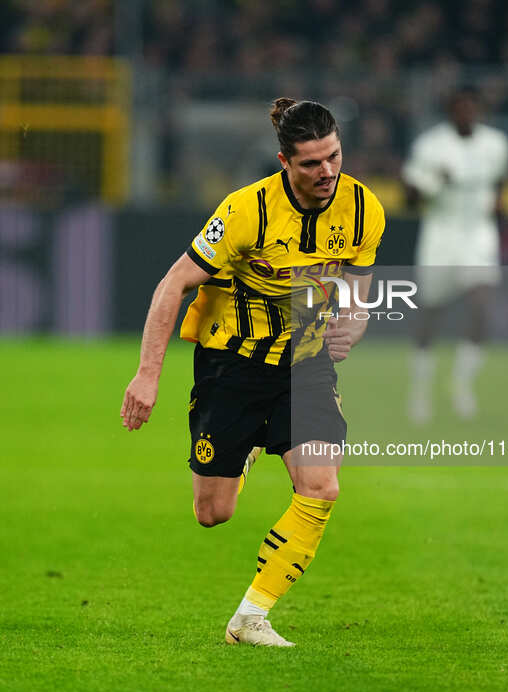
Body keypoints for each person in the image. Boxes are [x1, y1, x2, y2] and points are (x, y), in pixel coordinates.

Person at [120, 98, 385, 646]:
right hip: (231, 365)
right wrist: (148, 375)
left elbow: (357, 285)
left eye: (333, 156)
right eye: (311, 163)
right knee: (212, 513)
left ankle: (250, 618)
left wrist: (355, 323)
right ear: (284, 161)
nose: (327, 172)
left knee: (322, 485)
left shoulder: (364, 209)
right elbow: (174, 283)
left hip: (305, 360)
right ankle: (239, 458)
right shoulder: (245, 211)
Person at [401, 87, 508, 422]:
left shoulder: (496, 144)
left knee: (482, 306)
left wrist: (498, 205)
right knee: (431, 312)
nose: (466, 114)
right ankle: (420, 389)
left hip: (478, 233)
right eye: (459, 109)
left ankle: (462, 384)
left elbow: (499, 182)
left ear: (477, 111)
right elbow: (410, 197)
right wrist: (432, 181)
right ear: (450, 112)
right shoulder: (431, 146)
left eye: (470, 108)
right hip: (441, 233)